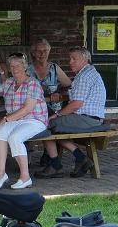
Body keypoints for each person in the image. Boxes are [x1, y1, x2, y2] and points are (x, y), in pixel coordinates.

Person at [37, 46, 106, 179]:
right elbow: (74, 92)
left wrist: (57, 114)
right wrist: (60, 92)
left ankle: (56, 166)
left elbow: (76, 104)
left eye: (74, 59)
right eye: (70, 58)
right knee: (52, 125)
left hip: (86, 118)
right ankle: (80, 158)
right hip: (90, 118)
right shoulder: (88, 73)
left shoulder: (84, 77)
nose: (70, 62)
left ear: (85, 59)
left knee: (45, 125)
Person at [0, 54, 48, 190]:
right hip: (16, 120)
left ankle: (25, 177)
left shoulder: (33, 83)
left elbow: (27, 109)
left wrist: (6, 119)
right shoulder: (9, 82)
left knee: (15, 137)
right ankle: (1, 175)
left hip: (34, 120)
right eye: (12, 66)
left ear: (25, 67)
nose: (14, 69)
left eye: (18, 66)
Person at [28, 38, 72, 168]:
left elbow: (69, 85)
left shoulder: (54, 68)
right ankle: (31, 156)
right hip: (33, 110)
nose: (42, 54)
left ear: (49, 52)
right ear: (33, 53)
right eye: (39, 51)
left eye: (45, 51)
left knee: (52, 124)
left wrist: (58, 92)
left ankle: (49, 155)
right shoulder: (27, 69)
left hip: (54, 110)